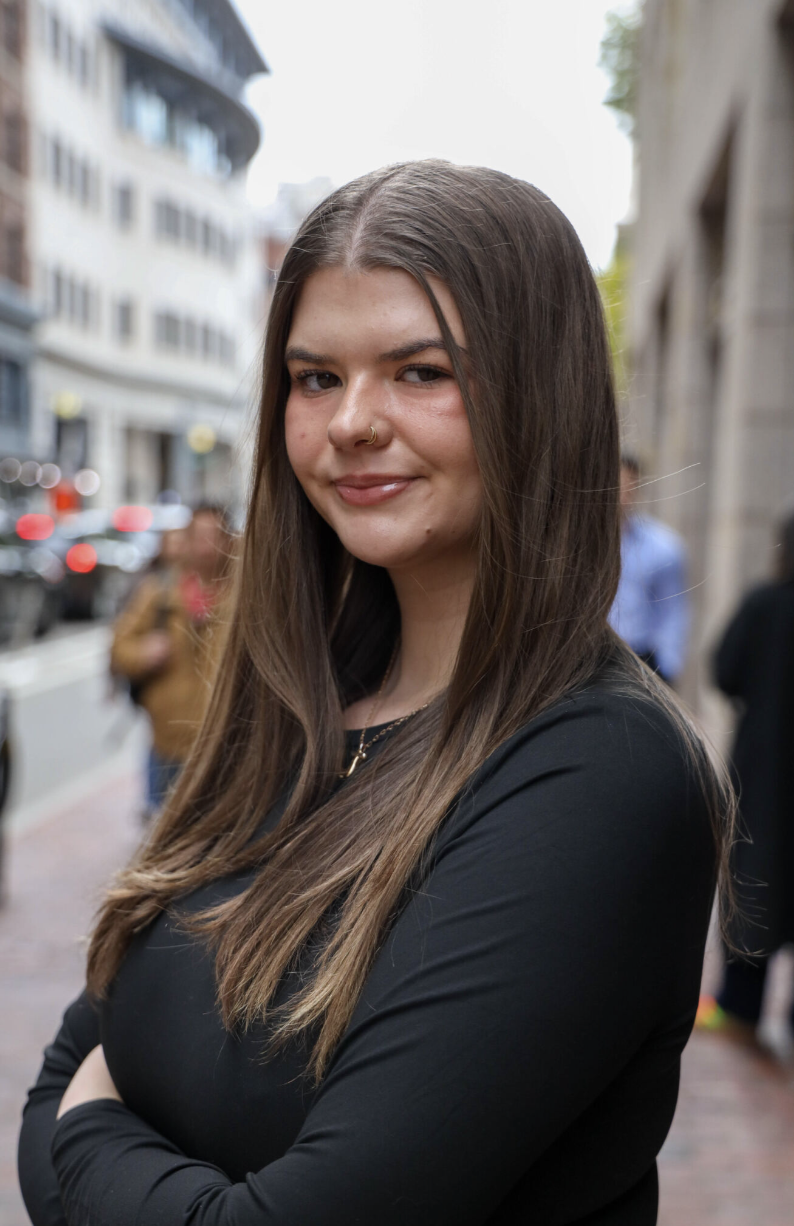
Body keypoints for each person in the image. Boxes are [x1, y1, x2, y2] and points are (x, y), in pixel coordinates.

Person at [18, 162, 732, 1226]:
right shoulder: (295, 711)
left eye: (419, 371)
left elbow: (73, 1116)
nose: (350, 421)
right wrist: (83, 1119)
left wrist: (84, 1134)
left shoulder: (594, 772)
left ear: (540, 391)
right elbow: (65, 1061)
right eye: (314, 379)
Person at [696, 512, 794, 1048]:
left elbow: (724, 669)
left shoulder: (764, 603)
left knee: (756, 877)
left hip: (764, 767)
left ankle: (740, 1005)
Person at [109, 504, 231, 817]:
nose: (206, 545)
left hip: (226, 748)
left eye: (214, 536)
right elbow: (119, 647)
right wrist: (145, 652)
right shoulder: (160, 592)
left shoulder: (245, 595)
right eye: (198, 535)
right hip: (169, 743)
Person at [608, 454, 690, 683]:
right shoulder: (580, 542)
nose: (623, 493)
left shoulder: (664, 546)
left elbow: (671, 609)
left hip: (641, 657)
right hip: (590, 654)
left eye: (629, 485)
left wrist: (668, 668)